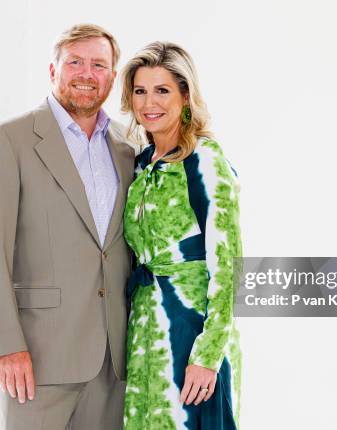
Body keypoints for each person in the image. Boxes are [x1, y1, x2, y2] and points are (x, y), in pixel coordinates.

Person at [0, 23, 135, 430]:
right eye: (75, 62)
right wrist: (5, 346)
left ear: (112, 77)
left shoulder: (129, 145)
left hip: (114, 361)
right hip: (36, 361)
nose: (86, 73)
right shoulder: (9, 139)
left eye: (98, 65)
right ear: (52, 70)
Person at [120, 42, 242, 429]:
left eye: (162, 90)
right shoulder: (140, 164)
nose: (149, 102)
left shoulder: (205, 159)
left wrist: (207, 355)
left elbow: (228, 265)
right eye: (140, 91)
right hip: (144, 332)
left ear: (185, 95)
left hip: (191, 330)